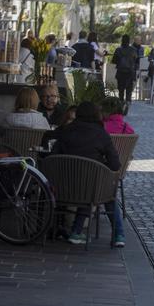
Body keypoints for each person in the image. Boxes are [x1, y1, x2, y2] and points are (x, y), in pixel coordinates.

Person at [51, 101, 124, 247]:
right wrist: (100, 167)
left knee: (87, 183)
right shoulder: (101, 134)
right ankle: (118, 235)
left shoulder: (65, 131)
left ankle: (76, 232)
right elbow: (115, 164)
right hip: (91, 188)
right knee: (107, 193)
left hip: (63, 187)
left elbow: (53, 155)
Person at [113, 35, 139, 105]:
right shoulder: (133, 50)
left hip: (120, 71)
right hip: (130, 72)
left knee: (120, 89)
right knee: (129, 89)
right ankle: (128, 101)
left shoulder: (118, 50)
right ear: (129, 41)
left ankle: (121, 101)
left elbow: (114, 61)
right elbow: (136, 60)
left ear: (122, 40)